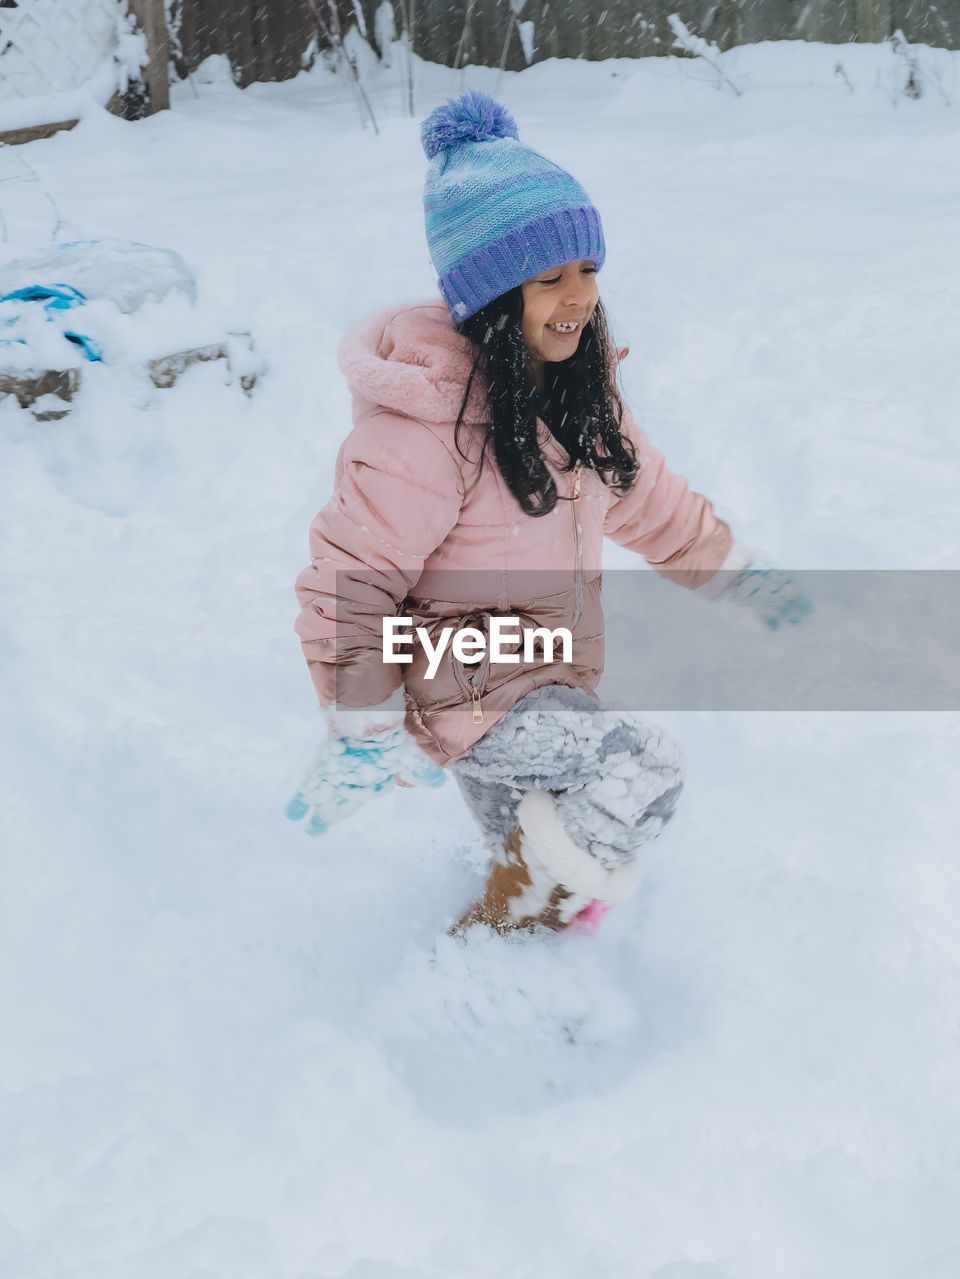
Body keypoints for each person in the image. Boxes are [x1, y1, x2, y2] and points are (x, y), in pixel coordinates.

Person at [291, 91, 810, 936]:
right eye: (550, 277)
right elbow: (353, 578)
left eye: (588, 272)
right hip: (466, 680)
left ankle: (504, 982)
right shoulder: (428, 430)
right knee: (639, 772)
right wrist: (363, 715)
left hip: (546, 679)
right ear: (494, 295)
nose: (577, 297)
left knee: (541, 882)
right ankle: (510, 935)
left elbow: (653, 503)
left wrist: (739, 574)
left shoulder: (580, 402)